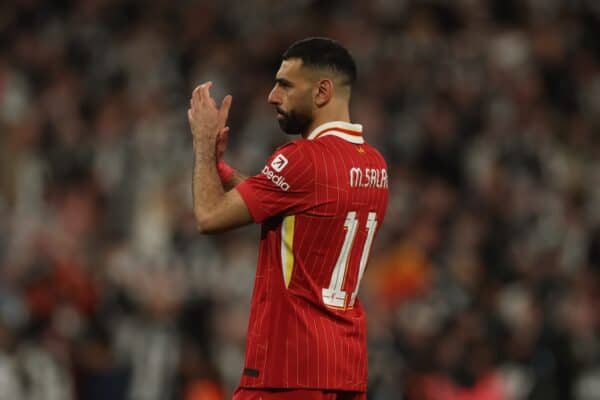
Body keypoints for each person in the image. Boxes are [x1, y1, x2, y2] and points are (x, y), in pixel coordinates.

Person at [187, 37, 389, 400]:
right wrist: (221, 170)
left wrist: (202, 146)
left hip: (287, 371)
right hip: (343, 371)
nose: (272, 96)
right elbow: (290, 201)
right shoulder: (373, 163)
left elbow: (209, 217)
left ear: (322, 91)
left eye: (285, 84)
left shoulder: (303, 158)